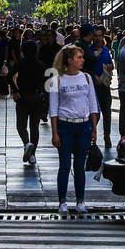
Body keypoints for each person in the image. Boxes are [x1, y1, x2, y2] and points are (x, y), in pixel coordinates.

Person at [49, 44, 99, 214]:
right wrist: (55, 132)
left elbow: (92, 103)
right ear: (69, 60)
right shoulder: (57, 80)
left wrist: (94, 128)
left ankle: (80, 200)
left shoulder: (86, 78)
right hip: (65, 125)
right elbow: (53, 108)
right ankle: (62, 201)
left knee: (79, 165)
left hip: (83, 125)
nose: (82, 60)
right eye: (79, 57)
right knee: (64, 165)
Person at [10, 40, 45, 163]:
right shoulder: (40, 64)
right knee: (34, 127)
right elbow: (45, 81)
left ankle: (26, 143)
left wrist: (15, 90)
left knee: (21, 125)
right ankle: (32, 155)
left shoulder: (20, 63)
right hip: (37, 97)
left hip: (23, 96)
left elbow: (10, 76)